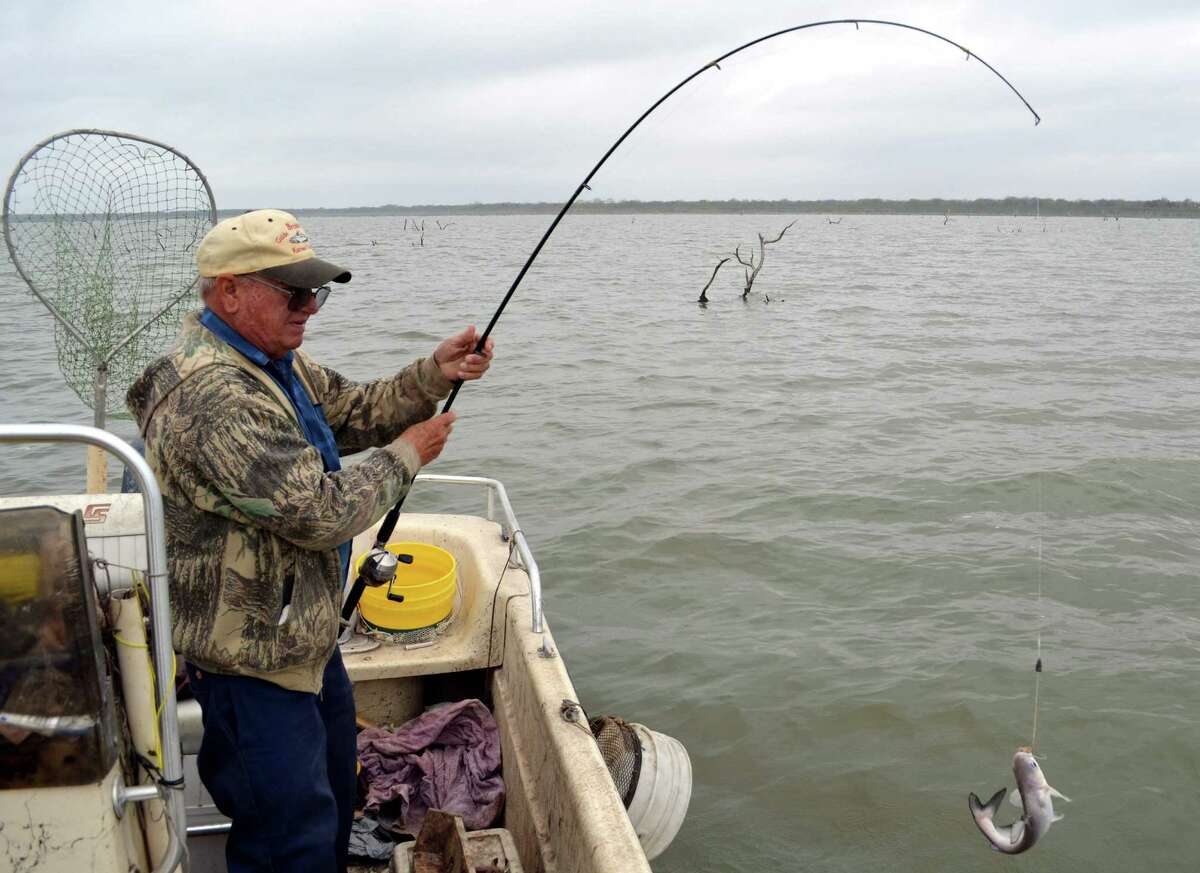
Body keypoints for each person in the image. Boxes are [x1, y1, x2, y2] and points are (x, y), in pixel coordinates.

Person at [126, 208, 494, 873]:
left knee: (329, 803)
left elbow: (355, 409)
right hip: (251, 663)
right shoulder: (216, 394)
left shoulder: (271, 361)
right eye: (293, 292)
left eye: (315, 292)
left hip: (303, 638)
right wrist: (407, 455)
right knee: (283, 839)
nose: (310, 309)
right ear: (230, 291)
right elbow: (319, 512)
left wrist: (436, 373)